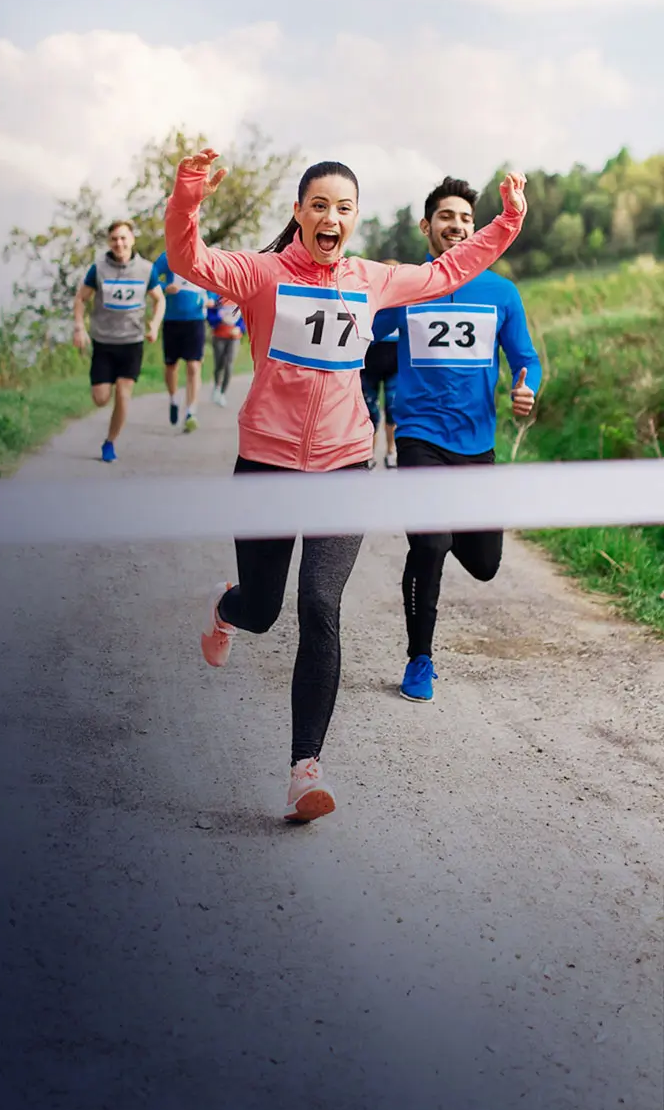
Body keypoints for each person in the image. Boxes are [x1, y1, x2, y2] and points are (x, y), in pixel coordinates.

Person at [165, 148, 527, 822]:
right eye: (319, 205)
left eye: (344, 207)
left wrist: (506, 221)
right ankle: (227, 607)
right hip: (268, 467)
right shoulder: (261, 273)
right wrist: (188, 196)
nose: (331, 217)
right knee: (264, 609)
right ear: (299, 214)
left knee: (320, 606)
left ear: (353, 220)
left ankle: (306, 770)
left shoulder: (372, 280)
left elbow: (450, 268)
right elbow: (190, 261)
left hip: (343, 466)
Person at [371, 176, 542, 703]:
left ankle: (440, 540)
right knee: (431, 542)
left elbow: (526, 360)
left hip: (476, 445)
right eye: (447, 217)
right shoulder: (410, 284)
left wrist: (524, 389)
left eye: (467, 218)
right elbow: (368, 330)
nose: (458, 226)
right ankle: (419, 658)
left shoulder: (501, 292)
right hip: (419, 436)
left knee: (485, 565)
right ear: (428, 226)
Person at [73, 220, 164, 462]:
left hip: (132, 343)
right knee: (101, 398)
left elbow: (160, 299)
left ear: (132, 240)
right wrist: (79, 327)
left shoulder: (146, 269)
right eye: (114, 239)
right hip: (104, 342)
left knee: (124, 394)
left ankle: (110, 442)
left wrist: (154, 325)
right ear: (109, 242)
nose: (119, 243)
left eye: (123, 238)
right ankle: (108, 387)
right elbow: (81, 299)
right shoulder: (98, 268)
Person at [150, 251, 209, 431]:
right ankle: (174, 399)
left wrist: (212, 299)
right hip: (172, 319)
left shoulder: (203, 253)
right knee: (171, 366)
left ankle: (191, 411)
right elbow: (150, 277)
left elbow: (215, 281)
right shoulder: (168, 256)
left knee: (193, 366)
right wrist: (164, 286)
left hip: (196, 319)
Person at [360, 261, 399, 469]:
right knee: (370, 413)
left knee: (393, 409)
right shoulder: (366, 298)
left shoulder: (406, 299)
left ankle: (391, 451)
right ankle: (370, 454)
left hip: (395, 366)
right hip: (369, 367)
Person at [207, 294, 246, 407]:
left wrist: (239, 328)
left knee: (229, 365)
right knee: (219, 364)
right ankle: (217, 387)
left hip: (234, 337)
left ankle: (223, 393)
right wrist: (219, 320)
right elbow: (210, 315)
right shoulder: (217, 296)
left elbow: (246, 316)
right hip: (219, 335)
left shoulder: (240, 296)